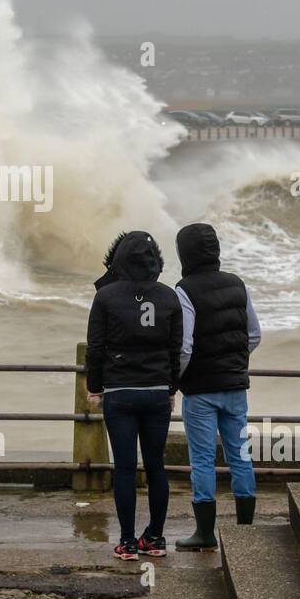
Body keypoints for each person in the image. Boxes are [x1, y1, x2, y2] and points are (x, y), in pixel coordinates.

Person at [86, 231, 183, 561]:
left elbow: (96, 348)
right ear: (156, 260)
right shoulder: (169, 297)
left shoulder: (106, 297)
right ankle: (155, 539)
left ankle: (127, 542)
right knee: (157, 466)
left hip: (120, 392)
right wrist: (171, 388)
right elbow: (176, 349)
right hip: (157, 392)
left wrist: (95, 387)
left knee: (125, 468)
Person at [173, 223, 261, 551]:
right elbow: (254, 335)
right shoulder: (237, 284)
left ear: (185, 253)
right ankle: (245, 528)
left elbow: (184, 347)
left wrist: (177, 380)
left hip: (200, 391)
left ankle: (205, 533)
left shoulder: (185, 289)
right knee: (239, 453)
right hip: (236, 386)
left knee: (203, 458)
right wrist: (233, 363)